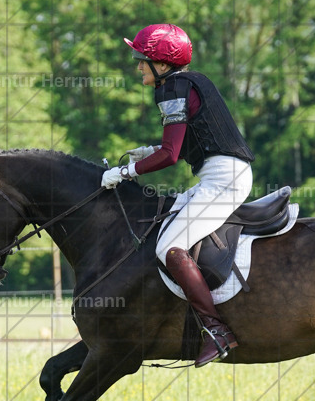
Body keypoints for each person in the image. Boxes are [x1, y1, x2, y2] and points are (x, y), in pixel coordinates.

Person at [101, 23, 254, 367]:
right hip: (221, 173)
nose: (138, 67)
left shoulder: (172, 87)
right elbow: (189, 143)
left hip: (223, 179)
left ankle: (216, 330)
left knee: (168, 247)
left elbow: (171, 156)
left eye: (142, 60)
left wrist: (124, 172)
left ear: (162, 63)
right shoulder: (189, 82)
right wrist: (148, 151)